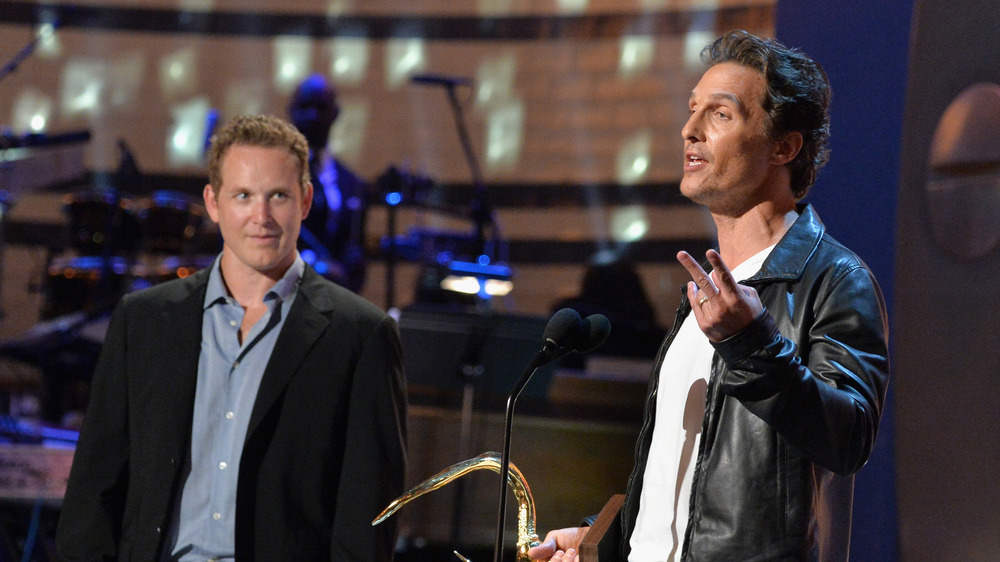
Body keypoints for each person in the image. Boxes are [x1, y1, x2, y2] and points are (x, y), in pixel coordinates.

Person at [528, 30, 889, 561]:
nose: (689, 130)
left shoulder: (834, 279)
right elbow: (688, 479)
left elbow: (849, 437)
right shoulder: (704, 289)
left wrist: (752, 345)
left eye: (720, 114)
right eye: (692, 109)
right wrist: (600, 538)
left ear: (784, 146)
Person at [56, 114, 407, 561]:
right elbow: (94, 489)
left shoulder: (360, 336)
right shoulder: (143, 320)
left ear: (304, 201)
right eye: (243, 195)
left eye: (277, 196)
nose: (261, 217)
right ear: (214, 202)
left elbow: (366, 520)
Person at [288, 73, 369, 292]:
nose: (313, 116)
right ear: (292, 111)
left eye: (321, 107)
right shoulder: (274, 175)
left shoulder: (351, 184)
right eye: (305, 107)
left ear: (335, 114)